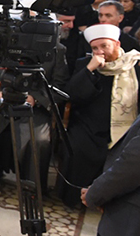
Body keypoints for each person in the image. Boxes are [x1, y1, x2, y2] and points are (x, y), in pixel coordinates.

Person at [0, 34, 68, 189]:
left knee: (38, 140)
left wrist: (35, 99)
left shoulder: (57, 50)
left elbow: (60, 85)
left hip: (34, 106)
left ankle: (30, 189)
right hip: (0, 100)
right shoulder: (4, 42)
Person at [58, 24, 140, 208]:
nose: (100, 51)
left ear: (117, 44)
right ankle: (75, 199)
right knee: (78, 147)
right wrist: (89, 70)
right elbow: (71, 95)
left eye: (104, 46)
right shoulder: (85, 65)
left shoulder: (135, 64)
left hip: (127, 128)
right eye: (95, 48)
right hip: (90, 126)